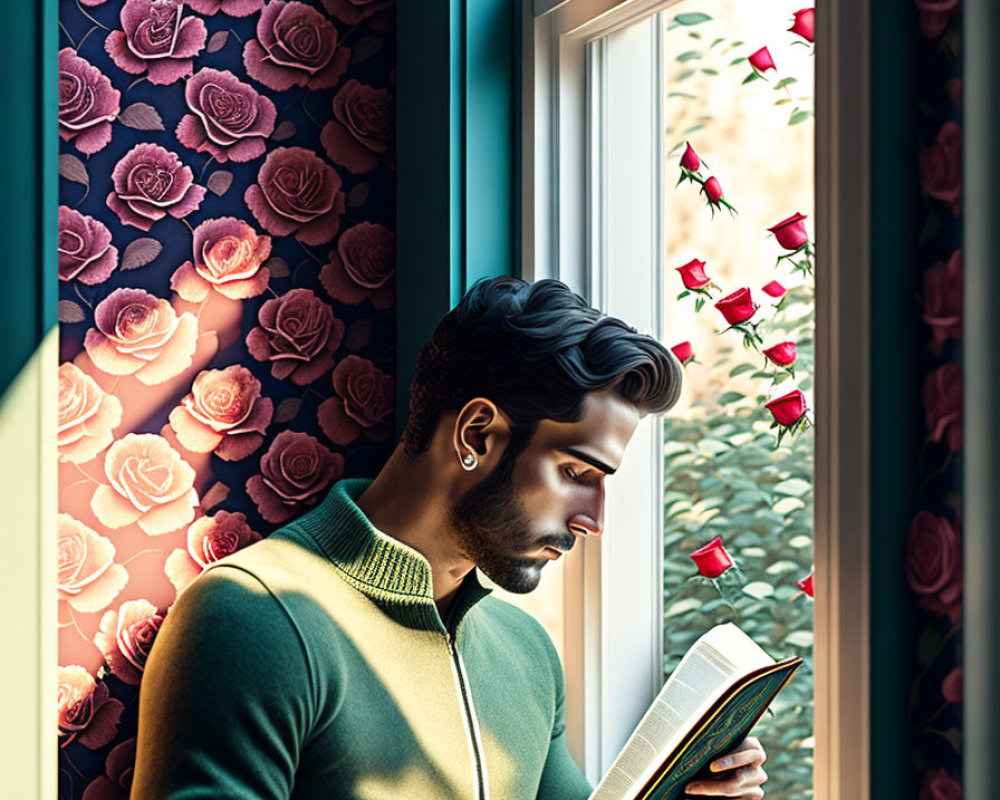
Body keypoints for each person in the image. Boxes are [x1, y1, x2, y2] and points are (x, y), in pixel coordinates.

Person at [131, 277, 769, 799]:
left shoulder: (526, 653)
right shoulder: (253, 619)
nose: (593, 519)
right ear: (476, 435)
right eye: (577, 473)